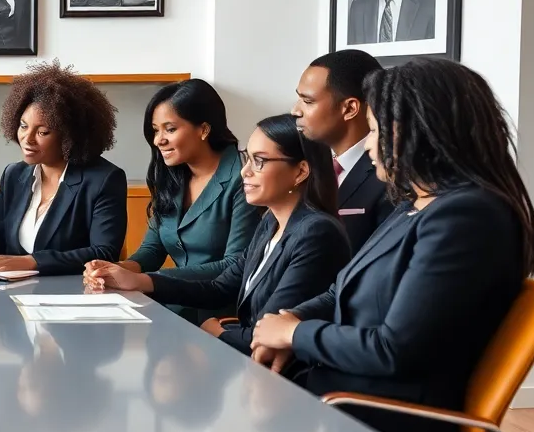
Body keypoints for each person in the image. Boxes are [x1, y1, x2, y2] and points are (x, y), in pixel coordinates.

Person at [252, 59, 534, 432]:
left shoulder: (467, 216)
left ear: (415, 131)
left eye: (376, 130)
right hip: (340, 400)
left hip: (382, 429)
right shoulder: (414, 204)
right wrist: (292, 317)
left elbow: (395, 350)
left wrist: (296, 334)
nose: (369, 145)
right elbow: (340, 291)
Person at [86, 115, 350, 356]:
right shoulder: (271, 221)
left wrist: (216, 332)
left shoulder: (316, 232)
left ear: (301, 171)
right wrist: (137, 281)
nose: (245, 172)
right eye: (247, 159)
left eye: (259, 161)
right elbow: (219, 287)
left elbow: (269, 332)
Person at [0, 60, 127, 276]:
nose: (27, 139)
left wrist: (31, 262)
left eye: (43, 132)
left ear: (70, 135)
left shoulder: (104, 179)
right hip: (12, 295)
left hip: (73, 296)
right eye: (23, 126)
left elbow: (104, 252)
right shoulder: (14, 174)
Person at [115, 79, 260, 321]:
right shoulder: (171, 176)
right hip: (170, 309)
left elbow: (235, 264)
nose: (158, 140)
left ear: (203, 129)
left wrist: (149, 280)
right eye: (155, 130)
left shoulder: (244, 178)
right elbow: (152, 250)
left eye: (170, 129)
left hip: (221, 316)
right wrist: (119, 270)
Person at [292, 49, 394, 252]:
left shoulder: (388, 174)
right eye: (299, 99)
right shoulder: (303, 162)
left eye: (308, 101)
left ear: (349, 108)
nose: (295, 110)